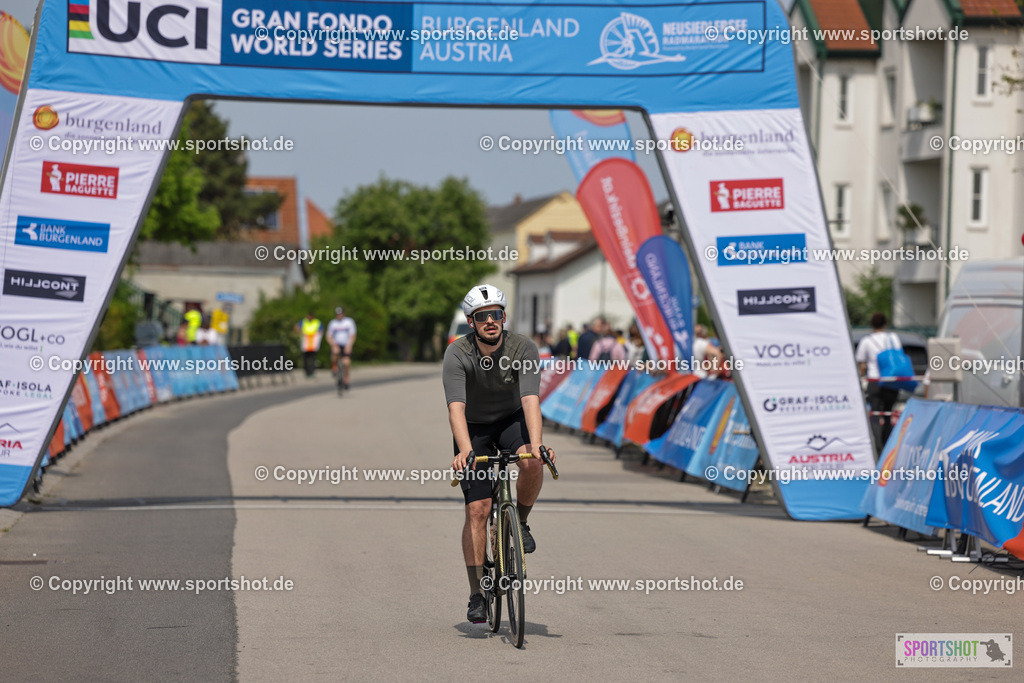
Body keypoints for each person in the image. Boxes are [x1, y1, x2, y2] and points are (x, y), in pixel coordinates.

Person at [443, 284, 556, 624]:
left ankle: (519, 521)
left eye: (496, 315)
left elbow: (530, 399)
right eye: (482, 317)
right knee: (477, 510)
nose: (491, 321)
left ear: (504, 317)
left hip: (510, 420)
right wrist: (465, 450)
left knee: (533, 460)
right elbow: (456, 408)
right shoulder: (457, 353)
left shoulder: (523, 347)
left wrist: (536, 442)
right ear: (471, 321)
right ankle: (477, 593)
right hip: (474, 428)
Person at [856, 312, 902, 450]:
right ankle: (888, 444)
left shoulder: (866, 341)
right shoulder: (893, 338)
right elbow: (899, 355)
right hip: (891, 380)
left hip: (874, 380)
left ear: (871, 324)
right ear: (885, 323)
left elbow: (862, 364)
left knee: (875, 415)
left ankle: (877, 446)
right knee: (888, 413)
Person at [326, 306, 357, 391]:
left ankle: (346, 379)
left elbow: (352, 335)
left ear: (343, 314)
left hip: (346, 344)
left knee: (346, 363)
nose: (339, 316)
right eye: (337, 314)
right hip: (336, 344)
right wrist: (333, 345)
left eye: (341, 314)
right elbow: (329, 336)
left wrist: (349, 345)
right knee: (334, 354)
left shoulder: (349, 322)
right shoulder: (333, 323)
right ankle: (334, 367)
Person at [295, 312, 322, 378]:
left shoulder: (317, 322)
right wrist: (300, 333)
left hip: (313, 344)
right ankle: (306, 372)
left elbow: (321, 330)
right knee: (305, 359)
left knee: (313, 359)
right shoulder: (304, 321)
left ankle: (312, 372)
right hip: (305, 343)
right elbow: (296, 327)